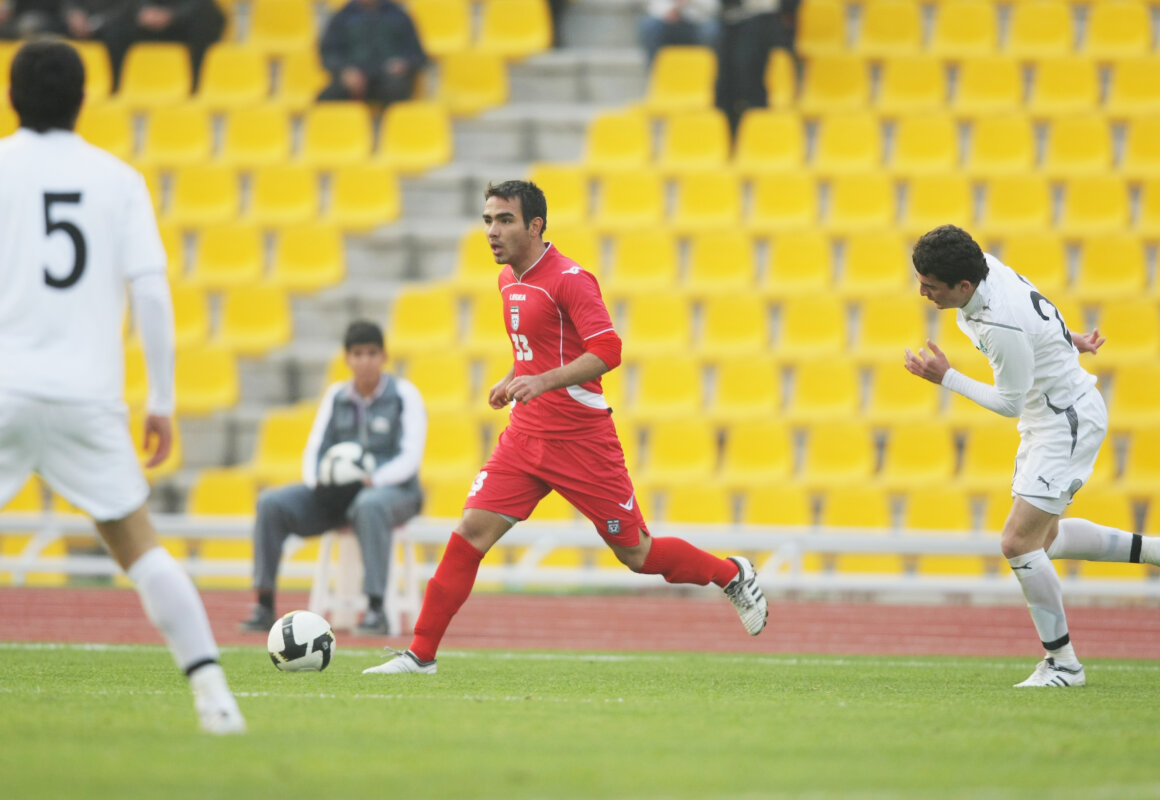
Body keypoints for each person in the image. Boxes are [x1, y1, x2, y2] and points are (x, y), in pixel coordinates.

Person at [363, 180, 768, 675]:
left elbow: (608, 349)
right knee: (469, 533)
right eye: (488, 220)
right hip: (525, 438)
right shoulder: (507, 280)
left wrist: (543, 381)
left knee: (637, 554)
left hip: (582, 442)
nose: (492, 231)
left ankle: (731, 574)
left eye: (505, 220)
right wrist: (513, 378)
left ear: (534, 226)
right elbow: (538, 349)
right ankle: (420, 655)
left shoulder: (571, 279)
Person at [0, 40, 243, 733]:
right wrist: (161, 401)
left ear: (11, 96)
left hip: (6, 387)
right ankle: (214, 697)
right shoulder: (117, 179)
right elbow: (153, 294)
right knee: (139, 547)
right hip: (87, 397)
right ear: (85, 99)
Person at [903, 224, 1160, 688]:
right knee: (1041, 540)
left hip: (1064, 422)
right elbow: (1038, 308)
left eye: (930, 286)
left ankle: (1063, 664)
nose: (922, 292)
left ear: (963, 285)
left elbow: (1009, 403)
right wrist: (1065, 339)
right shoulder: (986, 267)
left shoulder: (999, 322)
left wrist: (947, 377)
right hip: (1049, 415)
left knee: (1017, 544)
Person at [240, 320, 426, 638]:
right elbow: (315, 448)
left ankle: (376, 609)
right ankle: (264, 604)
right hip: (337, 495)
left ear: (384, 356)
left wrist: (370, 481)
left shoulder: (404, 395)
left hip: (396, 493)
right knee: (270, 503)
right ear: (347, 358)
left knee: (369, 505)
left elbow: (410, 458)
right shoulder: (335, 396)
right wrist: (320, 485)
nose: (365, 361)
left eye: (372, 353)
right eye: (358, 354)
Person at [316, 0, 427, 107]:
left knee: (397, 88)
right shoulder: (342, 17)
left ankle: (390, 120)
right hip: (354, 79)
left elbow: (416, 53)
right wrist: (345, 70)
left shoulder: (398, 16)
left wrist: (403, 64)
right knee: (326, 100)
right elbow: (329, 52)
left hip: (387, 79)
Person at [101, 0, 225, 92]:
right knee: (117, 29)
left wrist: (172, 15)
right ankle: (116, 86)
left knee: (204, 23)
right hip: (149, 22)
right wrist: (145, 10)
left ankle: (196, 86)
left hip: (185, 23)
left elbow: (201, 5)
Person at [713, 0, 796, 134]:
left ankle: (758, 133)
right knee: (724, 86)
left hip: (759, 17)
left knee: (751, 83)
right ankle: (730, 134)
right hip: (730, 20)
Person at [639, 0, 720, 67]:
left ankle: (706, 69)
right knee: (649, 25)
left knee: (712, 29)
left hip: (698, 21)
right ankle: (656, 70)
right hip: (666, 20)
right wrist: (671, 10)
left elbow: (713, 7)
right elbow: (653, 6)